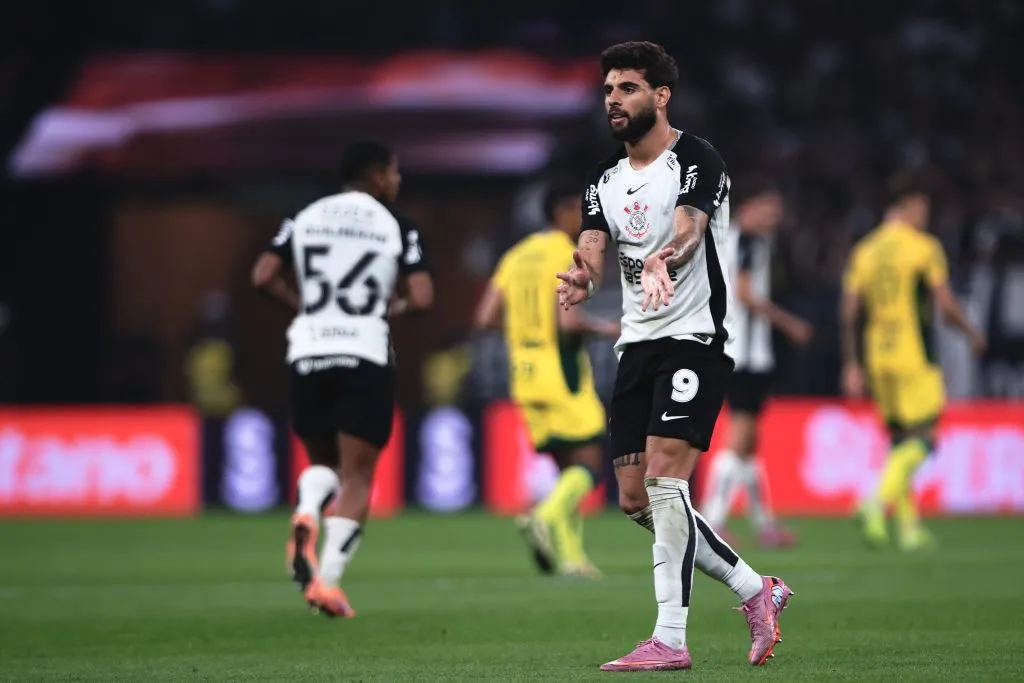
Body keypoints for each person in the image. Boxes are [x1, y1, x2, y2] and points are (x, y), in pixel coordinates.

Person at [556, 41, 792, 672]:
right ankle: (755, 589)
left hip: (697, 337)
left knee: (666, 479)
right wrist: (581, 275)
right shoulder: (604, 179)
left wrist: (668, 256)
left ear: (660, 96)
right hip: (637, 344)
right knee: (637, 498)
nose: (614, 99)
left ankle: (670, 639)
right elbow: (592, 244)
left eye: (628, 88)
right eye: (608, 89)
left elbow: (690, 227)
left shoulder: (696, 158)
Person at [251, 141, 433, 617]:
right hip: (363, 350)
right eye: (393, 173)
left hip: (309, 349)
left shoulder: (305, 215)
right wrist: (387, 308)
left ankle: (308, 509)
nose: (397, 182)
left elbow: (263, 275)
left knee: (324, 465)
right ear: (376, 177)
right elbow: (422, 296)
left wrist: (304, 309)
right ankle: (327, 582)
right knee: (357, 475)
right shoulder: (396, 223)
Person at [474, 179, 620, 579]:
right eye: (580, 211)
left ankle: (573, 558)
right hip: (562, 371)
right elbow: (568, 322)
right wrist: (608, 329)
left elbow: (485, 317)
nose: (585, 219)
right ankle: (541, 515)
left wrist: (524, 335)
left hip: (524, 374)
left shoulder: (516, 256)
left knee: (566, 470)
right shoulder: (567, 253)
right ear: (563, 212)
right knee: (589, 463)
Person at [841, 178, 985, 551]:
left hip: (877, 355)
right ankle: (874, 500)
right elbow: (945, 302)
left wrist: (852, 363)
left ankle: (908, 529)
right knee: (925, 438)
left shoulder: (866, 250)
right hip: (914, 353)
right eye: (922, 208)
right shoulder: (923, 247)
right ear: (907, 207)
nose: (926, 215)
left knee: (900, 441)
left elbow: (849, 311)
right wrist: (971, 332)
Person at [700, 181, 812, 548]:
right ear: (745, 208)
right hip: (743, 352)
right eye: (767, 208)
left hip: (738, 349)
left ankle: (764, 524)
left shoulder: (728, 240)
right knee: (740, 437)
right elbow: (745, 293)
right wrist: (789, 323)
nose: (773, 216)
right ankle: (711, 520)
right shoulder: (747, 241)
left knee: (749, 442)